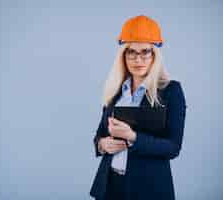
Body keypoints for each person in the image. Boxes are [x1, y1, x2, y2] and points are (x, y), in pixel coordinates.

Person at [89, 15, 187, 200]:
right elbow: (100, 134)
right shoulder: (116, 91)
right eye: (131, 52)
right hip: (110, 186)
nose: (138, 59)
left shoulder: (170, 91)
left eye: (145, 52)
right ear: (123, 56)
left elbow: (173, 147)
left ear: (155, 55)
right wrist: (102, 145)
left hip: (148, 188)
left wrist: (132, 137)